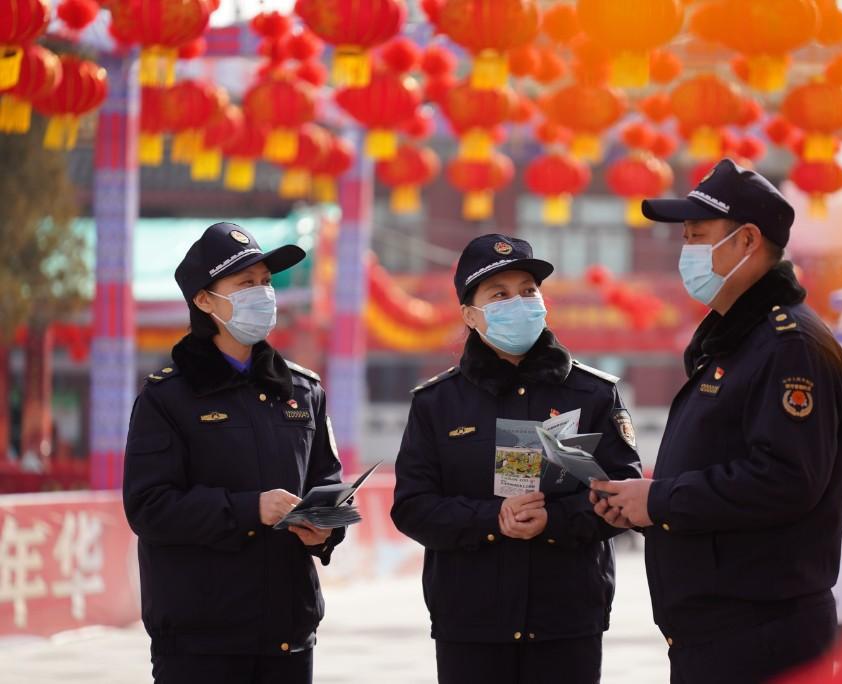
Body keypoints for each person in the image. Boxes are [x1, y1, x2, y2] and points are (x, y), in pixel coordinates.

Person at [590, 159, 842, 683]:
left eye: (698, 236)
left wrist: (660, 501)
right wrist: (644, 506)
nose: (685, 251)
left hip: (761, 631)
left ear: (747, 241)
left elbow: (785, 479)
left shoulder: (790, 346)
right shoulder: (734, 342)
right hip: (715, 632)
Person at [391, 233, 643, 684]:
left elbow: (625, 496)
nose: (519, 303)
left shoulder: (592, 393)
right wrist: (492, 519)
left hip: (566, 620)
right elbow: (412, 507)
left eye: (528, 291)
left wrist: (555, 521)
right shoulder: (437, 403)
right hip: (471, 623)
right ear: (470, 315)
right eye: (499, 294)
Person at [122, 222, 345, 684]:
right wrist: (251, 509)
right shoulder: (167, 399)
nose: (263, 294)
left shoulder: (304, 391)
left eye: (265, 282)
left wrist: (324, 530)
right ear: (204, 301)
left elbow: (326, 480)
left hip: (288, 636)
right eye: (245, 283)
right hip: (200, 643)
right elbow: (149, 507)